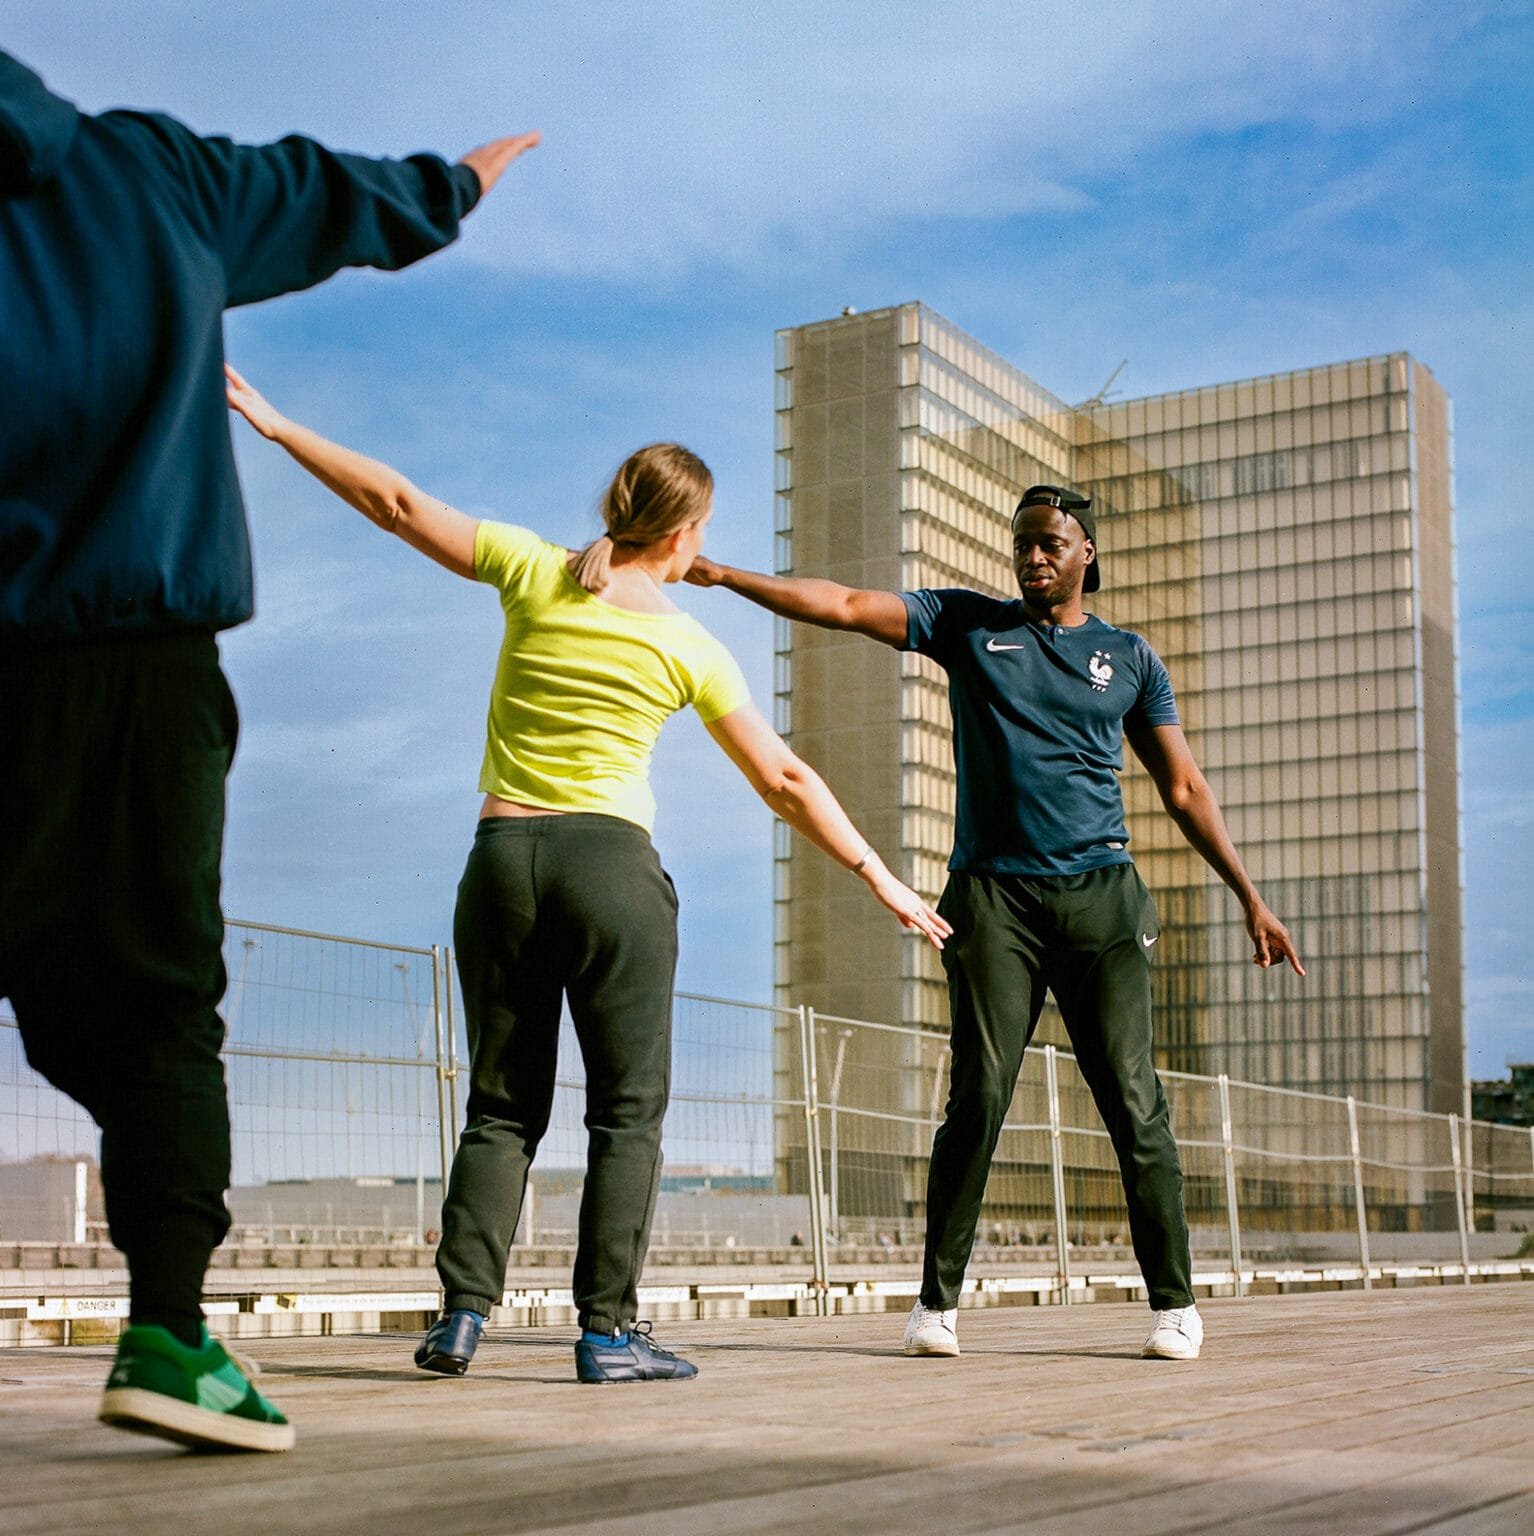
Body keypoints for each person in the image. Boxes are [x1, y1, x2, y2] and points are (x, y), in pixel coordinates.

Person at [0, 47, 538, 1452]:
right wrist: (447, 188)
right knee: (154, 1010)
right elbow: (325, 195)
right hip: (133, 659)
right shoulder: (148, 172)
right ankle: (171, 1336)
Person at [223, 369, 951, 1384]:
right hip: (610, 868)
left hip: (503, 862)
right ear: (686, 536)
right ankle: (608, 1332)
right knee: (626, 1111)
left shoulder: (534, 569)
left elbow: (392, 503)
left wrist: (277, 422)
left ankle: (461, 1319)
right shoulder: (689, 645)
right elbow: (784, 778)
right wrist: (881, 876)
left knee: (499, 1107)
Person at [686, 482, 1305, 1363]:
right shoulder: (966, 624)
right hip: (991, 900)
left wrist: (1250, 896)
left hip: (1101, 899)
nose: (1033, 556)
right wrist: (719, 574)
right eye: (1023, 543)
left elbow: (1184, 788)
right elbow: (848, 605)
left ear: (1085, 551)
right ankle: (935, 1305)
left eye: (1050, 542)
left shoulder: (1130, 659)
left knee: (1135, 1102)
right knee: (976, 1097)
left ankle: (1174, 1305)